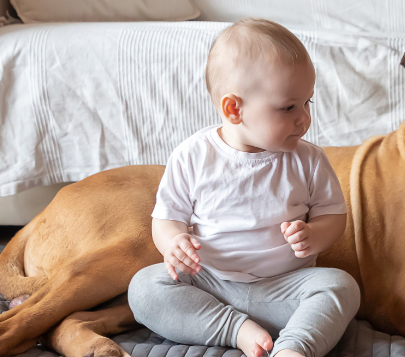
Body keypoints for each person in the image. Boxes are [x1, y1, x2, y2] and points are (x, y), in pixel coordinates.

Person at [128, 18, 360, 357]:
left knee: (342, 287)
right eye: (289, 107)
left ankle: (294, 348)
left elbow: (333, 216)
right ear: (234, 109)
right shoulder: (193, 156)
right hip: (210, 285)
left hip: (285, 290)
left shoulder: (308, 159)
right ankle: (234, 329)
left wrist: (315, 235)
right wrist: (173, 242)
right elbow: (166, 219)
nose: (304, 118)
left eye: (307, 103)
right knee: (145, 289)